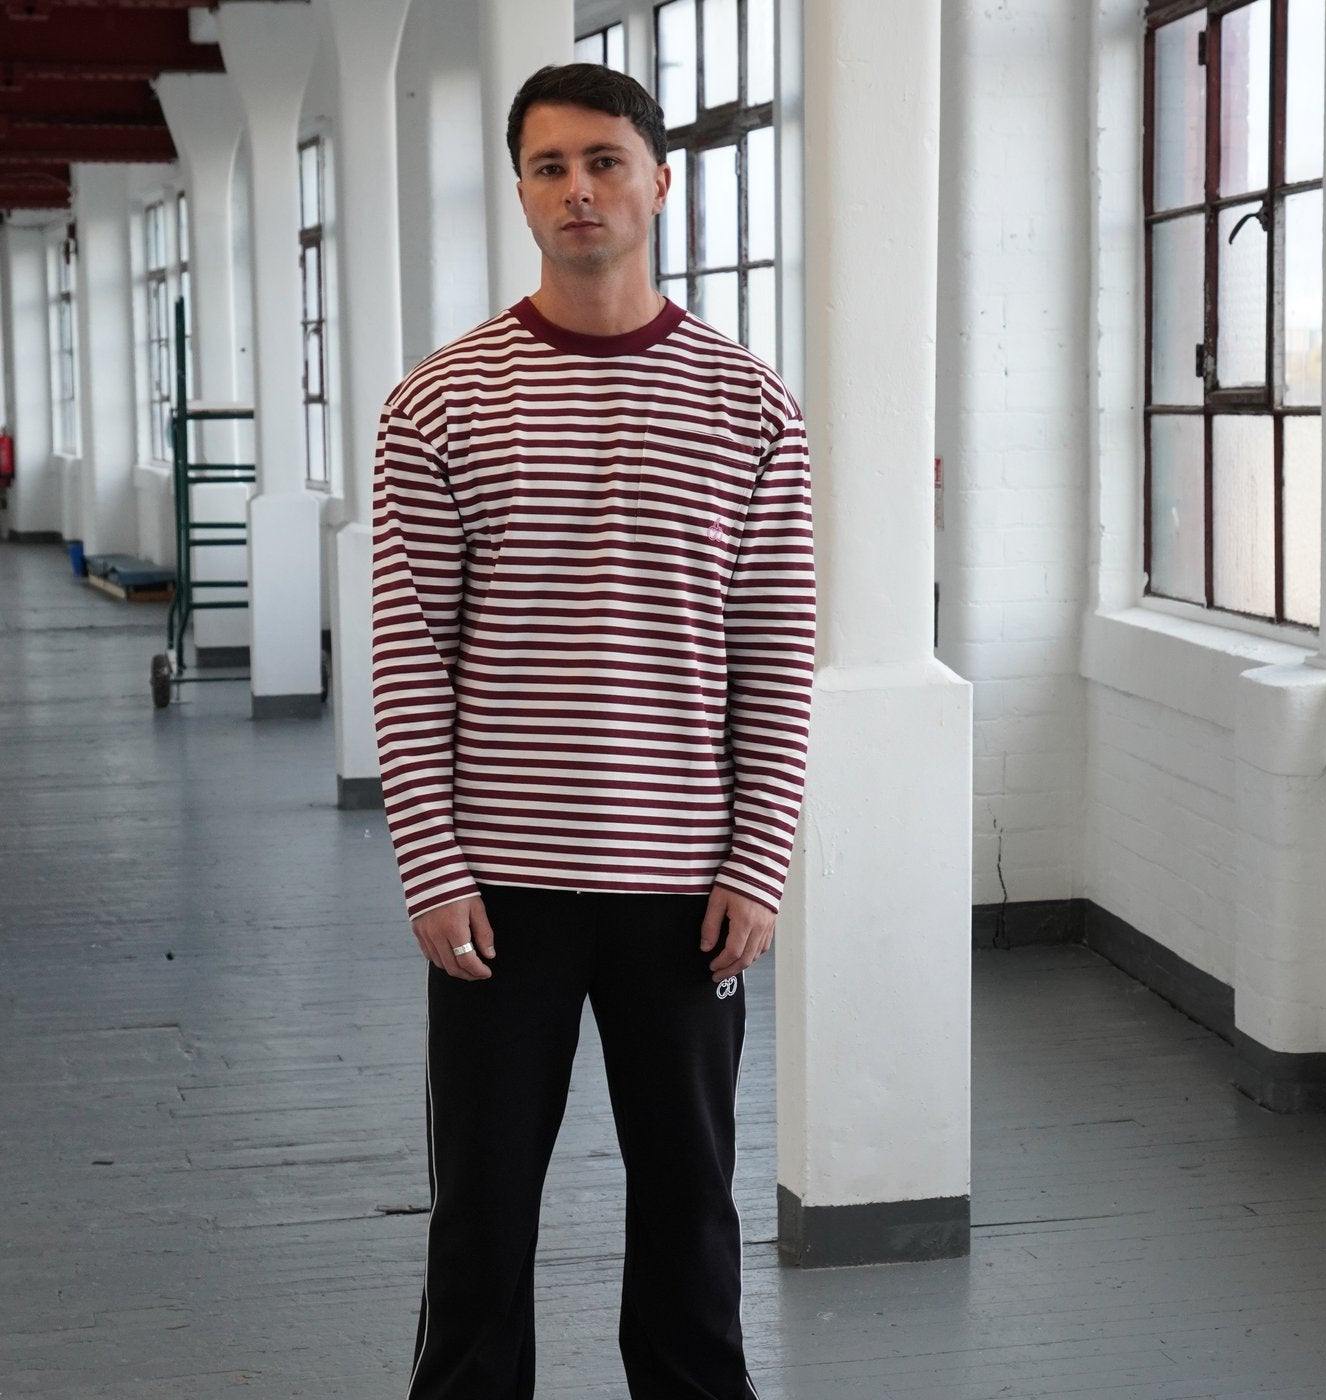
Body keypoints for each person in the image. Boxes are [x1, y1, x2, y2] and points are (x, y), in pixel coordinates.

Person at [369, 60, 815, 1400]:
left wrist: (759, 861)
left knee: (692, 1209)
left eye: (604, 161)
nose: (579, 189)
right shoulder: (438, 404)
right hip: (500, 891)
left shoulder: (750, 406)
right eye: (550, 166)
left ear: (659, 182)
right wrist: (432, 869)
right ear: (519, 191)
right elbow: (411, 655)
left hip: (686, 886)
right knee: (482, 1212)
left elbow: (774, 654)